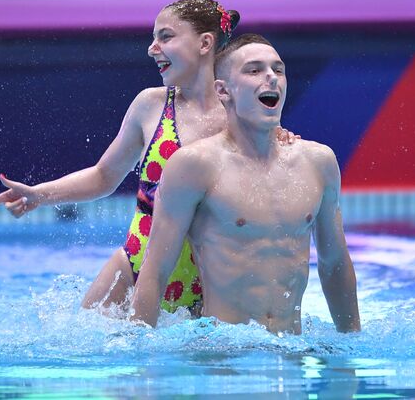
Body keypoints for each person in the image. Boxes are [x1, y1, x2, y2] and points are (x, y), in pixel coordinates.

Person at [0, 0, 299, 313]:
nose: (152, 47)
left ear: (204, 43)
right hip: (135, 266)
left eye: (166, 36)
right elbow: (105, 175)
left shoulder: (242, 111)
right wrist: (39, 196)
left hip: (213, 282)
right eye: (153, 37)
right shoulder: (151, 106)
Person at [130, 34, 361, 334]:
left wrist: (352, 350)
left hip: (290, 354)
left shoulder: (318, 162)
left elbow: (334, 264)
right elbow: (155, 271)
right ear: (223, 90)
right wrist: (138, 354)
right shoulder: (195, 166)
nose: (271, 77)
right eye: (254, 70)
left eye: (278, 70)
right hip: (223, 355)